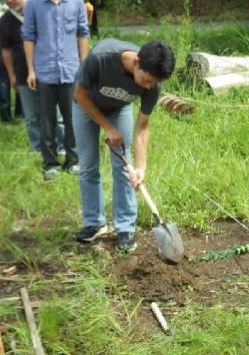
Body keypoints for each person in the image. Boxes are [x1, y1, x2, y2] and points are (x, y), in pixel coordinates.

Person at [72, 38, 175, 253]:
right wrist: (107, 127)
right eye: (145, 80)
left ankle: (125, 227)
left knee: (123, 167)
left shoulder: (152, 85)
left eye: (152, 83)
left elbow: (142, 127)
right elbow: (79, 95)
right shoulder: (101, 58)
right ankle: (94, 223)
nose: (147, 87)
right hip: (86, 105)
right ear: (136, 62)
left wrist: (141, 167)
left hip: (119, 108)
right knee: (89, 164)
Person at [22, 0, 89, 181]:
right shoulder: (32, 4)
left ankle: (73, 160)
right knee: (47, 120)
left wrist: (84, 66)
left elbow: (83, 34)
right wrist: (31, 70)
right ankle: (50, 163)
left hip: (71, 70)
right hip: (45, 71)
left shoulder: (76, 2)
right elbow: (29, 37)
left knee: (73, 119)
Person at [0, 0, 40, 150]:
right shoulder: (5, 21)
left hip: (47, 70)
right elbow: (6, 50)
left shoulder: (39, 10)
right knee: (31, 116)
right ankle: (37, 147)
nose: (10, 0)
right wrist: (11, 75)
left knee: (54, 114)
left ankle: (59, 147)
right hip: (22, 73)